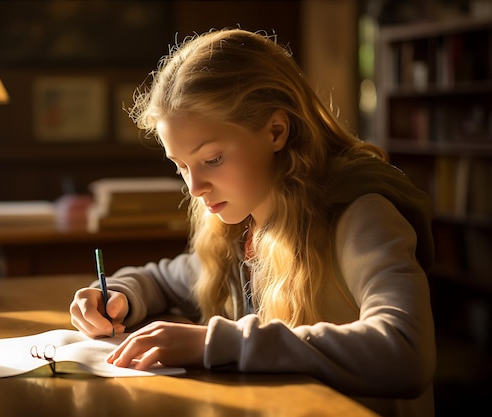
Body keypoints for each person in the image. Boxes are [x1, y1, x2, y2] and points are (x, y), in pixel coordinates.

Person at [70, 28, 436, 417]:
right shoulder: (241, 226)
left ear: (276, 131)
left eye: (211, 160)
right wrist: (117, 296)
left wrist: (215, 344)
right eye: (181, 167)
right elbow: (164, 279)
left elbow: (405, 350)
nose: (194, 187)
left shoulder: (361, 214)